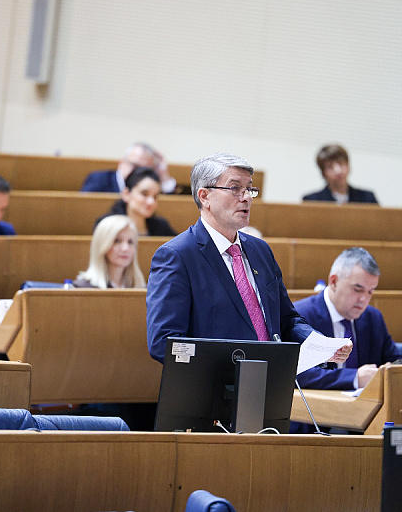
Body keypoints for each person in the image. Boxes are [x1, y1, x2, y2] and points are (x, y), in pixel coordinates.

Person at [146, 153, 352, 366]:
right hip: (211, 392)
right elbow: (165, 342)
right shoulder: (177, 255)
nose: (247, 197)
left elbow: (286, 320)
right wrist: (229, 368)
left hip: (267, 386)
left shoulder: (260, 250)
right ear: (205, 196)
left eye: (249, 189)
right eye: (235, 188)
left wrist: (320, 346)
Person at [294, 247, 402, 390]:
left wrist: (391, 369)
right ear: (333, 282)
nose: (363, 299)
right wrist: (354, 378)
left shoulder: (373, 318)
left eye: (370, 292)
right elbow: (295, 373)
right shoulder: (299, 316)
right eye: (357, 289)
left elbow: (397, 359)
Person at [93, 167, 176, 237]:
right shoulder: (107, 225)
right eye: (144, 194)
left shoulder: (161, 227)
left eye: (155, 196)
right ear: (126, 194)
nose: (151, 202)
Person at [74, 215, 146, 289]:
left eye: (130, 242)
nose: (125, 248)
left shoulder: (141, 289)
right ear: (102, 245)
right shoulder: (82, 289)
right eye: (117, 241)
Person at [80, 142, 177, 194]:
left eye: (145, 169)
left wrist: (164, 176)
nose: (139, 172)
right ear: (122, 163)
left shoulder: (149, 189)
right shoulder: (99, 179)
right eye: (135, 166)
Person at [302, 144, 378, 204]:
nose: (338, 171)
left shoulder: (367, 198)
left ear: (348, 166)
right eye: (330, 167)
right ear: (323, 173)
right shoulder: (312, 201)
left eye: (341, 164)